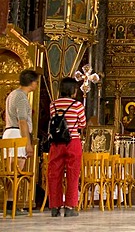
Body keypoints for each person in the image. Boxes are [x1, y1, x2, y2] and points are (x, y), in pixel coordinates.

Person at [47, 77, 86, 217]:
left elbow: (53, 120)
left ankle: (55, 206)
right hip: (73, 142)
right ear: (74, 90)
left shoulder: (53, 105)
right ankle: (70, 207)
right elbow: (82, 124)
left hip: (56, 143)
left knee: (54, 174)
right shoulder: (78, 105)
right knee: (73, 174)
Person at [3, 69, 39, 215]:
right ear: (32, 82)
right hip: (18, 134)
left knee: (10, 172)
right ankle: (12, 204)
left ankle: (8, 202)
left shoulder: (12, 94)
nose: (36, 85)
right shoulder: (22, 98)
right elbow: (22, 121)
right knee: (16, 173)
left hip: (9, 133)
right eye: (36, 82)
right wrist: (28, 143)